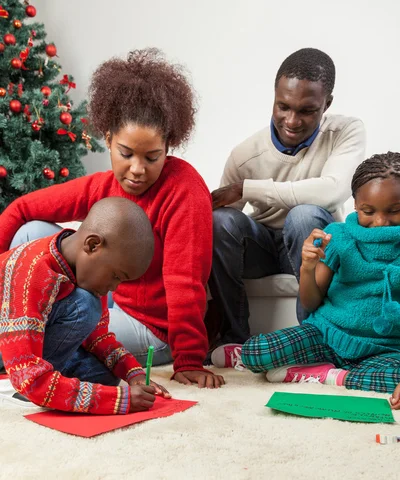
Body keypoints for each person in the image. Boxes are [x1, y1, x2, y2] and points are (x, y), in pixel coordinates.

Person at [0, 48, 224, 389]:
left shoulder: (184, 191)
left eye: (152, 157)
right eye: (126, 154)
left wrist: (190, 359)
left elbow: (185, 282)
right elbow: (22, 209)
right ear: (108, 139)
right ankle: (21, 344)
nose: (137, 169)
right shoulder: (103, 187)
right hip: (105, 305)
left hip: (149, 329)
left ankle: (22, 356)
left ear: (169, 146)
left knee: (71, 320)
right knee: (32, 232)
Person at [209, 48, 366, 369]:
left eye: (307, 110)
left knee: (304, 215)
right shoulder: (246, 154)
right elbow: (222, 220)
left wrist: (249, 188)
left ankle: (312, 339)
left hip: (315, 241)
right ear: (274, 97)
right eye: (283, 107)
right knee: (220, 221)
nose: (292, 121)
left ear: (328, 104)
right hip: (263, 249)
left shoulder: (346, 132)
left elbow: (333, 189)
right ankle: (233, 337)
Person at [241, 152, 400, 409]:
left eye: (395, 211)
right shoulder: (338, 236)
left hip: (386, 351)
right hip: (328, 336)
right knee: (255, 353)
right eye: (368, 211)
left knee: (395, 378)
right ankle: (332, 369)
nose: (380, 222)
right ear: (356, 205)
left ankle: (329, 376)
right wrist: (308, 266)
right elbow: (310, 302)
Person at [0, 197, 175, 413]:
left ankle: (46, 379)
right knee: (86, 306)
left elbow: (99, 337)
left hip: (35, 342)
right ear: (92, 245)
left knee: (105, 376)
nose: (114, 288)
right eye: (115, 276)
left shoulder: (88, 274)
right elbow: (27, 372)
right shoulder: (32, 273)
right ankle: (15, 387)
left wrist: (134, 374)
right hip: (11, 353)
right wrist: (118, 401)